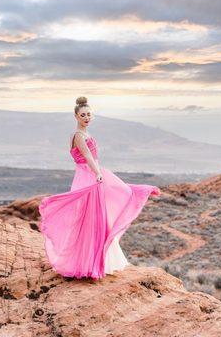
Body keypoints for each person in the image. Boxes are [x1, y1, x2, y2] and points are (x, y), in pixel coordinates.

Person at [39, 96, 161, 279]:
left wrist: (97, 172)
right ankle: (87, 263)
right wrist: (97, 173)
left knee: (100, 214)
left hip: (91, 174)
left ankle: (95, 261)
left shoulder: (86, 134)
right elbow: (87, 157)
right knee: (91, 218)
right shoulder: (79, 136)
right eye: (83, 115)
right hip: (88, 176)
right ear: (76, 116)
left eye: (89, 114)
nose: (87, 118)